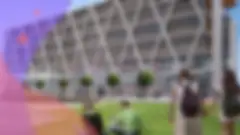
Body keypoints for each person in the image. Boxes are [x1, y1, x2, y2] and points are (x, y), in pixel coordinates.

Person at [168, 69, 205, 135]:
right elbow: (199, 100)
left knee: (182, 131)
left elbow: (172, 102)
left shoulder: (177, 86)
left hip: (182, 113)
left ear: (180, 76)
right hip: (194, 113)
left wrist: (171, 115)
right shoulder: (194, 85)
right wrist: (202, 110)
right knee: (195, 132)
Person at [219, 69, 240, 135]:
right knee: (231, 129)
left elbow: (222, 98)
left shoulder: (224, 85)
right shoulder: (235, 86)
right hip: (233, 109)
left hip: (226, 109)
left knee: (225, 129)